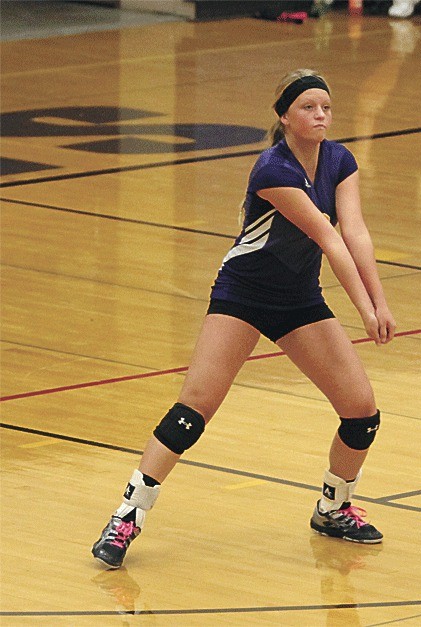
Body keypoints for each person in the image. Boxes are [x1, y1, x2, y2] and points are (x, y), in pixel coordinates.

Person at [92, 69, 397, 569]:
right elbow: (329, 238)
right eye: (309, 108)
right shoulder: (273, 169)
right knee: (194, 408)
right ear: (284, 117)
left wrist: (380, 302)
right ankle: (127, 516)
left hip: (298, 299)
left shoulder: (340, 160)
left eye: (326, 107)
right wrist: (364, 310)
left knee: (361, 413)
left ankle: (333, 508)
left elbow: (357, 232)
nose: (321, 116)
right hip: (244, 295)